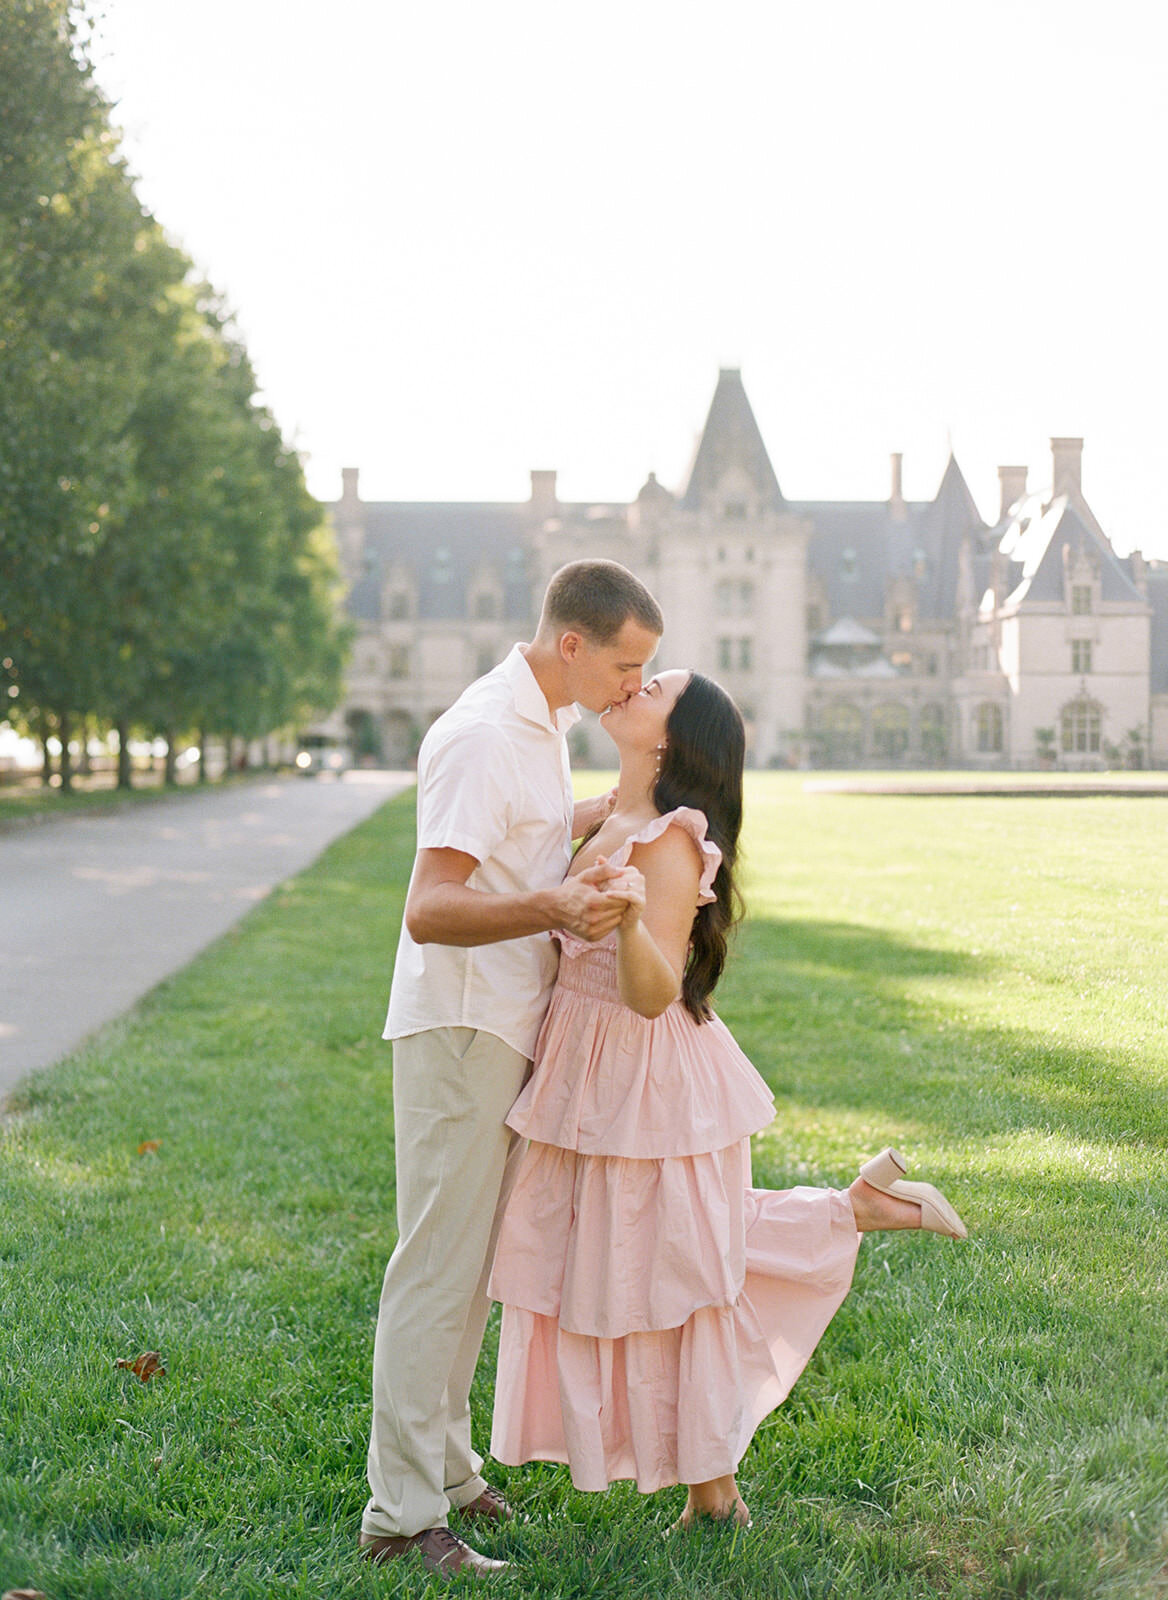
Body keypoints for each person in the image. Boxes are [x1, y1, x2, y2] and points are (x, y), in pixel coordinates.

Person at [488, 668, 967, 1528]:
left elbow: (651, 991)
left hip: (645, 1076)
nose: (632, 684)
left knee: (674, 1268)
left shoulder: (671, 840)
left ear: (676, 735)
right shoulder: (615, 816)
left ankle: (719, 1485)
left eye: (655, 684)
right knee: (647, 1265)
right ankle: (716, 1487)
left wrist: (631, 918)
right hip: (596, 1075)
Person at [358, 560, 663, 1581]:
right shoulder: (486, 731)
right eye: (626, 664)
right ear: (572, 644)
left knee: (472, 1271)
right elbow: (430, 908)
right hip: (459, 1026)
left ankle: (446, 1472)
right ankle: (398, 1514)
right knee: (436, 1268)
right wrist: (555, 906)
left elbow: (511, 843)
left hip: (504, 1021)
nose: (631, 685)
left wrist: (580, 822)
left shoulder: (542, 726)